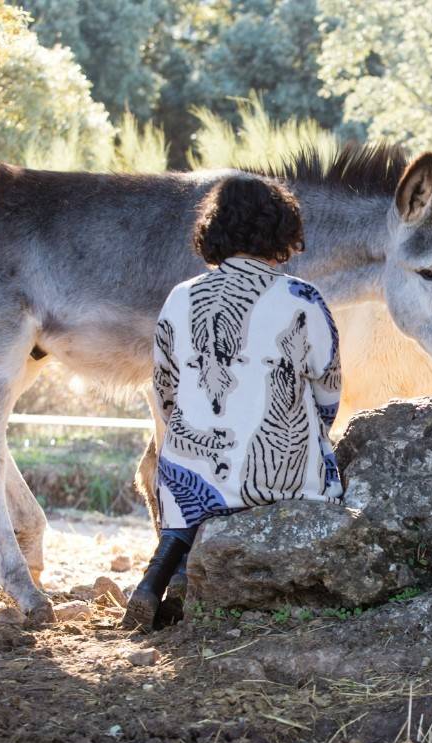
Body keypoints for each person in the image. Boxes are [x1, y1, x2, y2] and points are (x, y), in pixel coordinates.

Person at [122, 174, 343, 631]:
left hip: (194, 470)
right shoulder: (302, 299)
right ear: (283, 231)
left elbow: (165, 389)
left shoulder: (180, 298)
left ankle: (163, 573)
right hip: (278, 478)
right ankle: (180, 580)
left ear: (213, 231)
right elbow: (328, 389)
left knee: (188, 474)